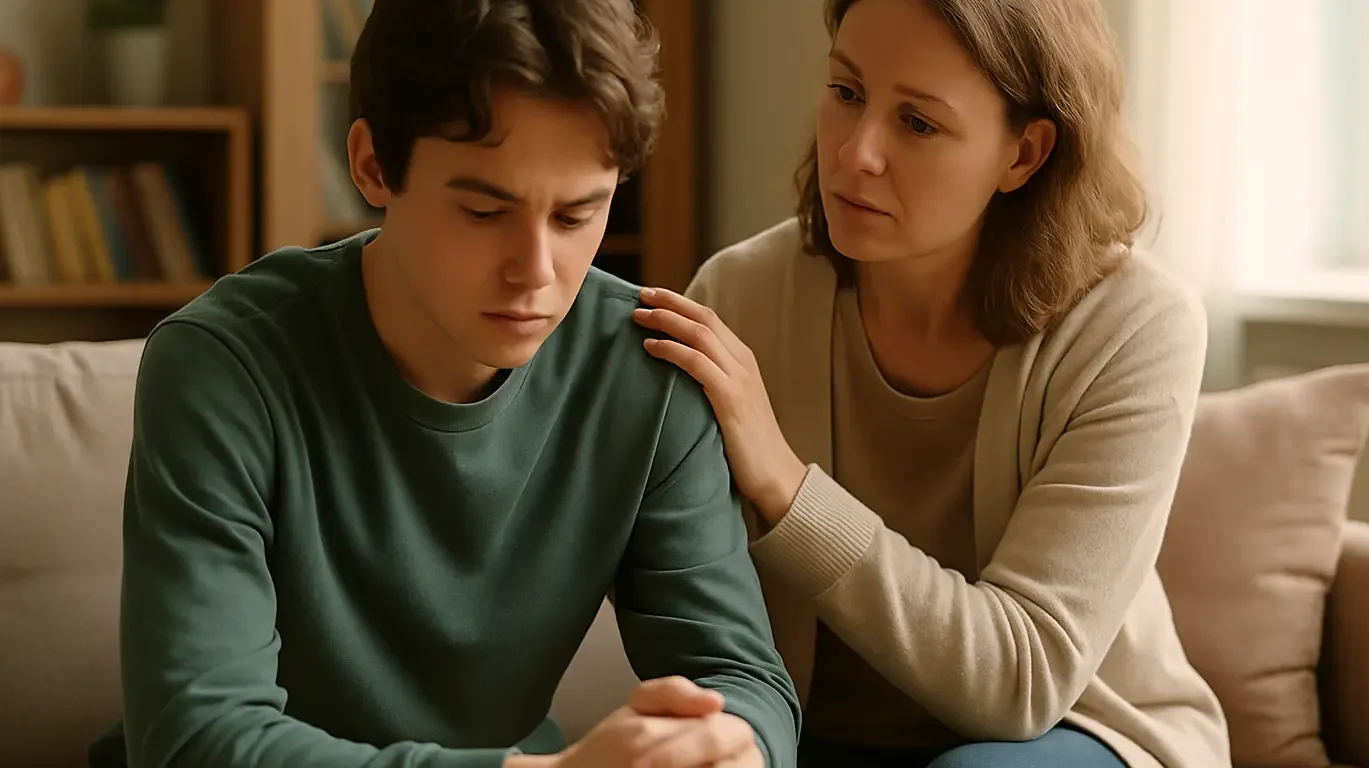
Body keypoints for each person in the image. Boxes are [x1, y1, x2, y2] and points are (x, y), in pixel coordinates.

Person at [92, 1, 800, 767]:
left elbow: (745, 681)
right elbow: (194, 740)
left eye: (575, 216)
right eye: (483, 211)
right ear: (372, 165)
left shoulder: (650, 371)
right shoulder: (222, 366)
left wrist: (728, 748)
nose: (535, 272)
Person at [631, 0, 1231, 766]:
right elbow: (688, 612)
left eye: (917, 123)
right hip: (808, 739)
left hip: (1076, 733)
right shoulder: (740, 295)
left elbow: (1023, 681)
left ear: (1024, 155)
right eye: (846, 92)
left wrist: (785, 484)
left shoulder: (1135, 325)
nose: (856, 153)